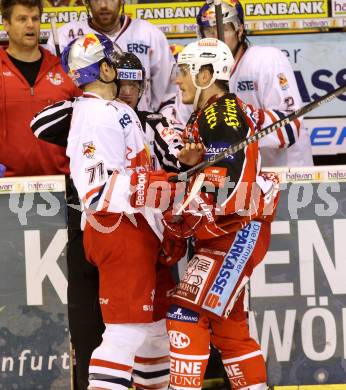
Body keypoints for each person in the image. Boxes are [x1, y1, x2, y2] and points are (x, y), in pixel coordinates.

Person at [31, 51, 184, 389]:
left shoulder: (125, 115)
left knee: (155, 330)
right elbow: (100, 189)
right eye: (120, 77)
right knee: (123, 333)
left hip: (140, 226)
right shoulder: (93, 113)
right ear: (104, 70)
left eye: (134, 82)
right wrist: (160, 186)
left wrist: (167, 207)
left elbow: (158, 167)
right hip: (118, 225)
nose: (128, 88)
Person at [160, 37, 299, 390]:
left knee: (185, 311)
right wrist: (196, 165)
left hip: (233, 233)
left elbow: (229, 187)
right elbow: (220, 172)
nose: (178, 80)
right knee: (229, 327)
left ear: (206, 74)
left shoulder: (220, 114)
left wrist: (182, 217)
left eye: (185, 72)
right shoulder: (212, 113)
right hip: (226, 232)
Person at [174, 0, 313, 168]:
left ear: (239, 31)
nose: (216, 39)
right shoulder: (197, 71)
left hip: (286, 175)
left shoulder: (266, 60)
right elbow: (182, 126)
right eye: (209, 31)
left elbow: (290, 127)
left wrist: (237, 121)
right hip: (237, 179)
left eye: (223, 30)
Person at [45, 0, 177, 115]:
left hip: (141, 130)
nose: (103, 5)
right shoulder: (65, 37)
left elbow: (167, 95)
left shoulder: (149, 34)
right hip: (87, 126)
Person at [0, 0, 80, 177]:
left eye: (35, 18)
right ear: (6, 24)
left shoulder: (65, 70)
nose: (30, 25)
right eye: (22, 19)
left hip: (60, 185)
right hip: (4, 187)